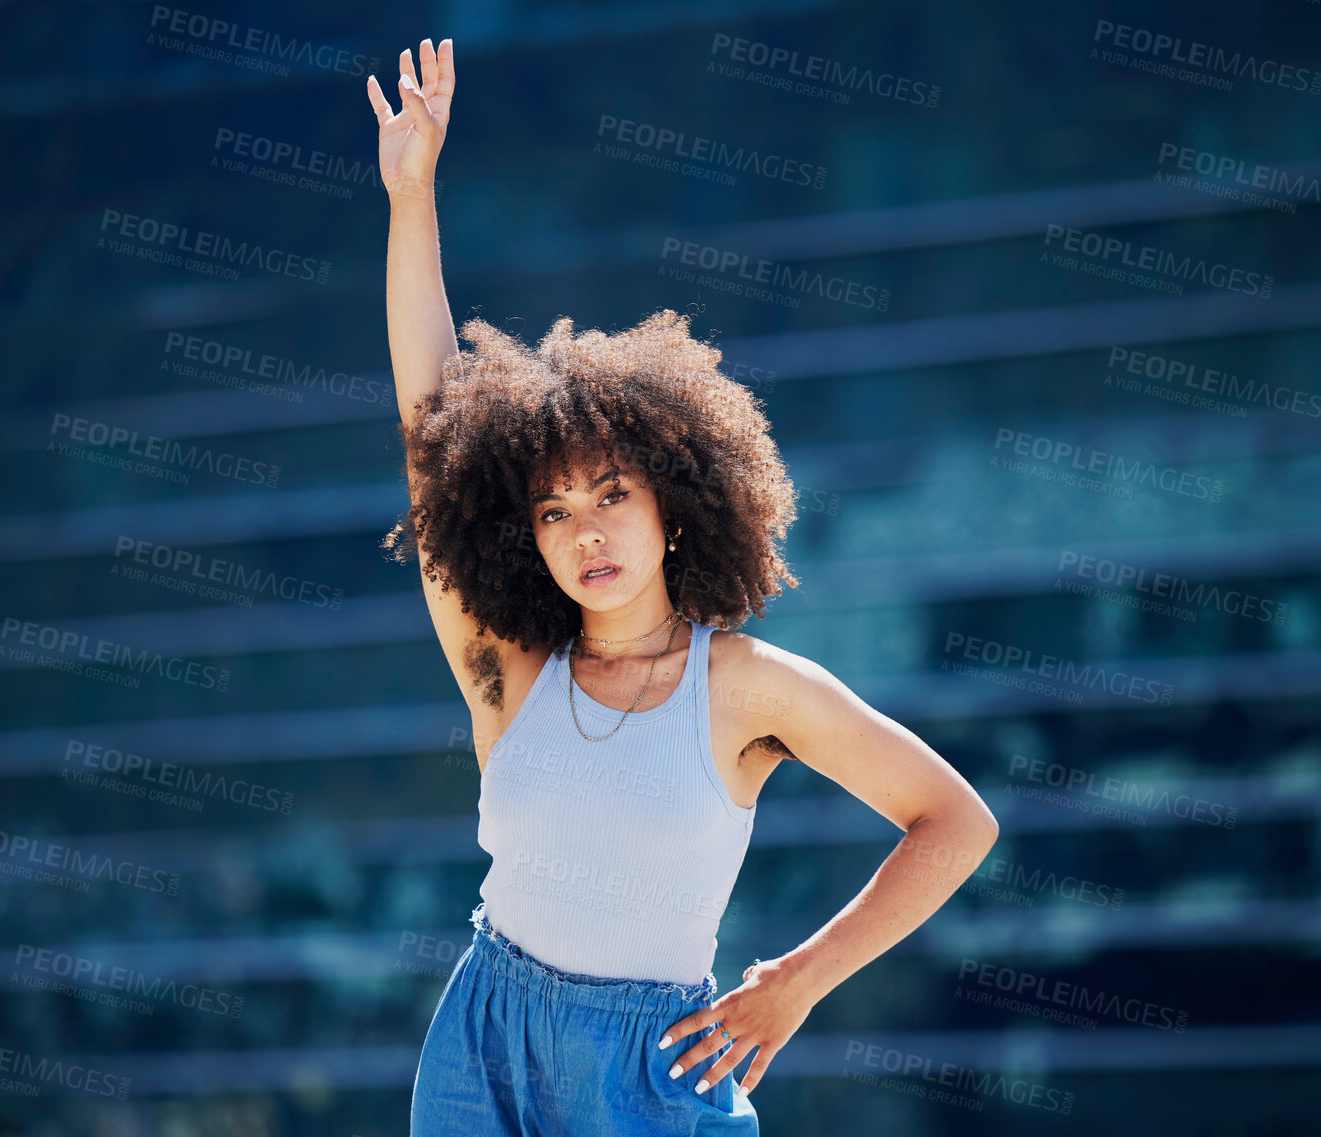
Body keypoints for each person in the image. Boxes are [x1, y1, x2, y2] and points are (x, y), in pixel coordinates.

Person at [368, 38, 1001, 1135]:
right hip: (483, 1046)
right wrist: (412, 196)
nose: (587, 532)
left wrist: (799, 979)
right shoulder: (505, 671)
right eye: (554, 511)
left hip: (655, 1070)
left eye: (612, 495)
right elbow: (430, 432)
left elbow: (955, 821)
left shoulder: (749, 687)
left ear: (676, 505)